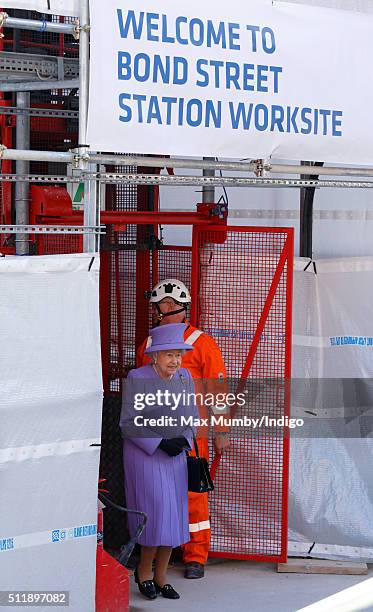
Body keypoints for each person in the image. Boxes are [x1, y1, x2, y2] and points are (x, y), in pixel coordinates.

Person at [137, 278, 230, 579]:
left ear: (174, 307)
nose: (158, 312)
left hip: (193, 435)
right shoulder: (149, 344)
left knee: (193, 495)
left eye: (162, 307)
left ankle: (196, 556)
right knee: (158, 493)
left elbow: (217, 389)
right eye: (157, 307)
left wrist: (222, 431)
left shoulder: (202, 343)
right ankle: (161, 552)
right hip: (158, 436)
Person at [120, 323, 199, 600]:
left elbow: (193, 417)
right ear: (155, 356)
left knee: (173, 516)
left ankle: (162, 575)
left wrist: (184, 440)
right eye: (169, 355)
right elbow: (128, 423)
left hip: (175, 456)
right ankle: (143, 572)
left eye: (178, 354)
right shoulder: (137, 376)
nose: (175, 361)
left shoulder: (184, 377)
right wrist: (159, 442)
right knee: (154, 515)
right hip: (146, 457)